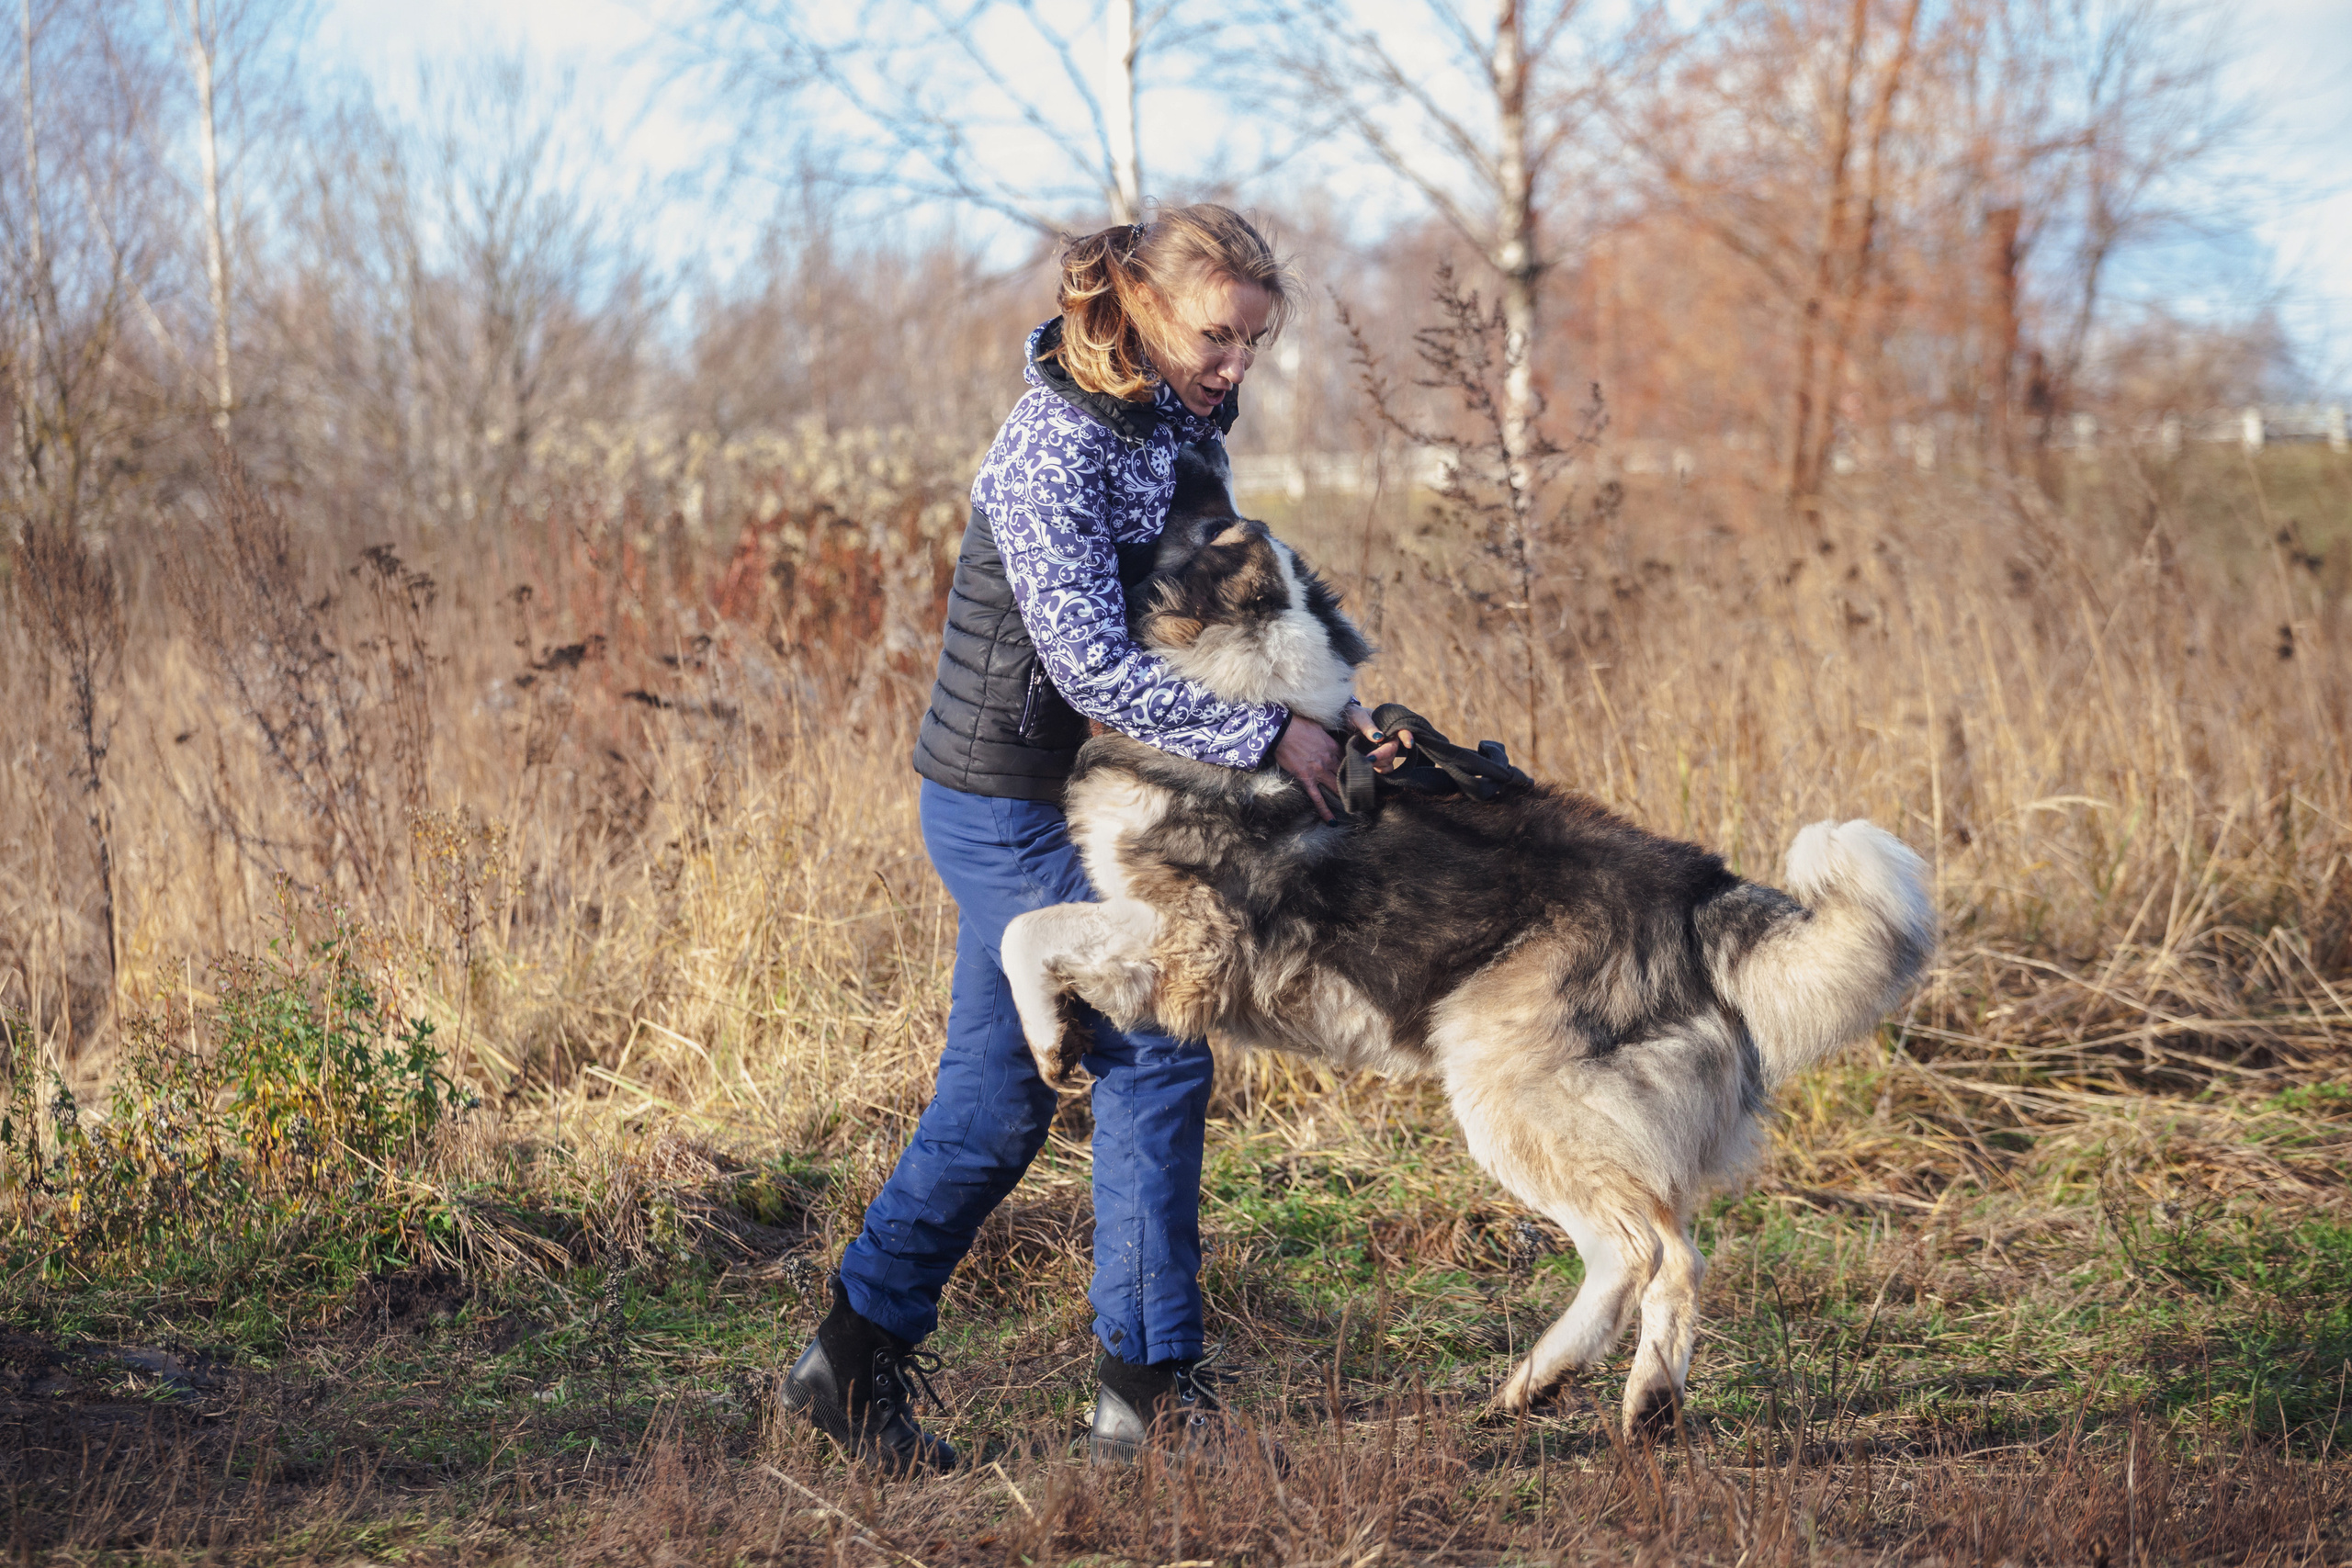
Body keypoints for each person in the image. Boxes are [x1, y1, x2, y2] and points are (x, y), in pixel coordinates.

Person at [779, 203, 1393, 1471]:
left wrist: (1325, 703)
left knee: (999, 1102)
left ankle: (849, 1362)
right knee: (1160, 1042)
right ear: (1152, 307)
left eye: (1255, 347)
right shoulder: (1050, 447)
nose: (1239, 369)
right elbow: (1092, 666)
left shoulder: (1184, 418)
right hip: (1005, 795)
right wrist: (1272, 742)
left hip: (1103, 790)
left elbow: (1210, 601)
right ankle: (1149, 1399)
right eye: (1222, 339)